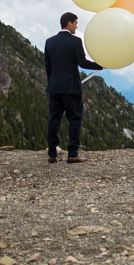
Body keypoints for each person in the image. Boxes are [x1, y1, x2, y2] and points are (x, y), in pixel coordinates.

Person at [44, 12, 103, 163]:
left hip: (55, 87)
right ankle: (72, 154)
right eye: (76, 23)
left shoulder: (49, 42)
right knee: (75, 119)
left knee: (54, 120)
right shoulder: (75, 41)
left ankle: (52, 154)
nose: (77, 26)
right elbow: (82, 62)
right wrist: (100, 64)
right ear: (68, 23)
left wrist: (53, 83)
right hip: (71, 88)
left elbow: (48, 67)